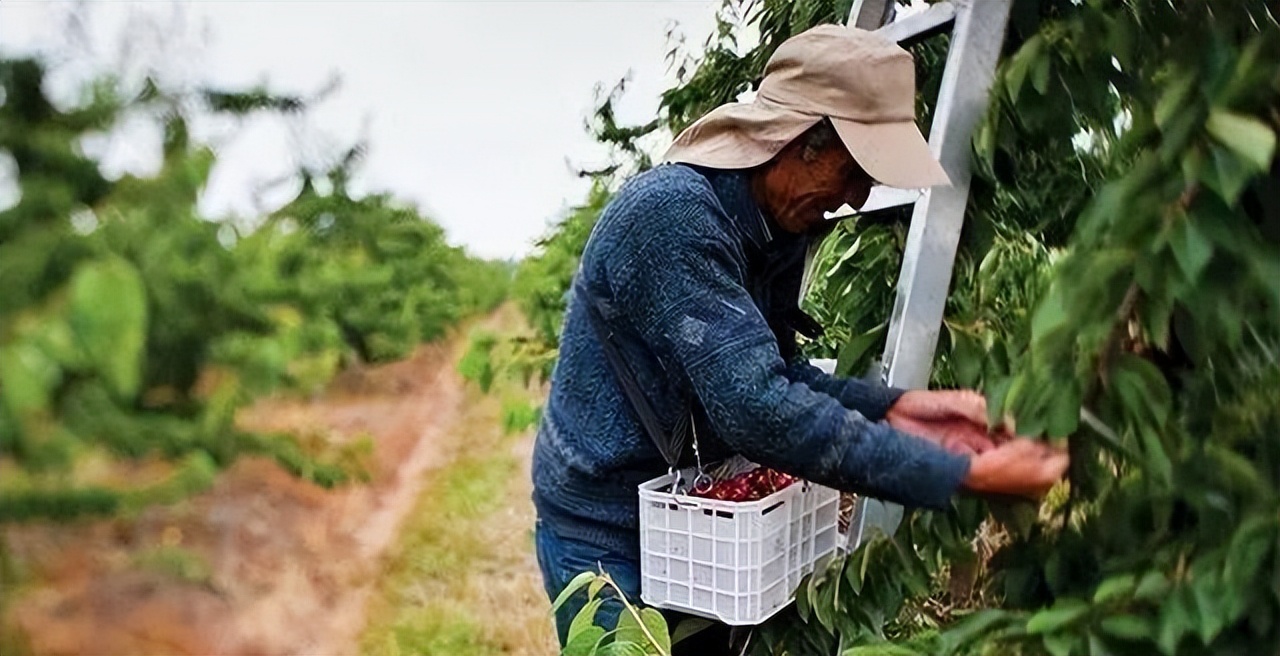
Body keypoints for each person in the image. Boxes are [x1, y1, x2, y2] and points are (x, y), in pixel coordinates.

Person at [531, 24, 1069, 653]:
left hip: (695, 519)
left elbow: (776, 373)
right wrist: (958, 473)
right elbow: (755, 409)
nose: (857, 196)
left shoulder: (773, 224)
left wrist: (899, 407)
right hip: (608, 528)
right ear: (798, 142)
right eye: (852, 169)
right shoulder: (673, 217)